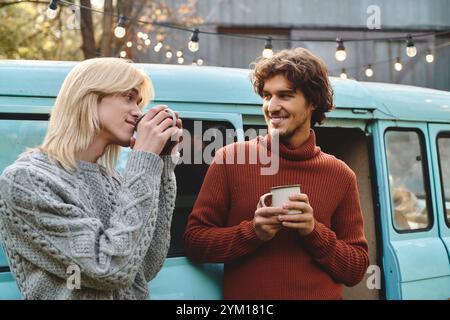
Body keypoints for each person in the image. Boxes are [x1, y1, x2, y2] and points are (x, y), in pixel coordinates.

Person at [183, 48, 369, 300]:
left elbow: (356, 269)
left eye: (285, 96)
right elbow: (194, 242)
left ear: (313, 101)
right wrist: (253, 233)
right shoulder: (230, 159)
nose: (271, 106)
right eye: (267, 96)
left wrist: (313, 231)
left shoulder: (340, 175)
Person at [0, 57, 182, 300]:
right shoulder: (27, 180)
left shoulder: (115, 181)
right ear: (89, 97)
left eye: (139, 102)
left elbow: (143, 267)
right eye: (128, 97)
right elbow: (108, 269)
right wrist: (144, 160)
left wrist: (162, 165)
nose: (138, 112)